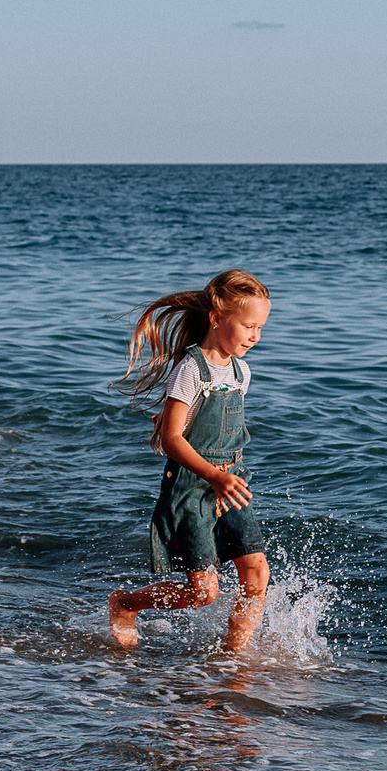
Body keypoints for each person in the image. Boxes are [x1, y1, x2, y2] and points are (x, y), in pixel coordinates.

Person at [106, 270, 274, 652]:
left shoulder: (240, 371)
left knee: (257, 573)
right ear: (216, 318)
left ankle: (234, 662)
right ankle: (127, 603)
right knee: (203, 593)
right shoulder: (190, 370)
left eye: (261, 328)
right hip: (192, 487)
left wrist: (227, 474)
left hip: (230, 482)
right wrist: (213, 473)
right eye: (248, 326)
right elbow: (172, 439)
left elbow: (213, 427)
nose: (255, 336)